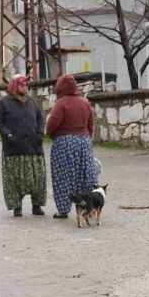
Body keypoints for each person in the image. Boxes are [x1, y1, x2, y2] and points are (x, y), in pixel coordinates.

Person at [0, 75, 46, 217]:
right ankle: (17, 207)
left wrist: (40, 133)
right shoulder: (5, 103)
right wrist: (8, 135)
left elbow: (40, 118)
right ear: (15, 86)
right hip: (14, 148)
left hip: (33, 147)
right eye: (22, 85)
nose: (25, 88)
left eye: (26, 85)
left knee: (37, 179)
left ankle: (36, 206)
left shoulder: (32, 102)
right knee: (15, 180)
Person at [46, 74, 96, 219]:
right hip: (84, 142)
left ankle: (63, 209)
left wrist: (52, 135)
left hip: (64, 144)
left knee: (63, 176)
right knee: (85, 175)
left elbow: (51, 125)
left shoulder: (61, 104)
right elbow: (91, 124)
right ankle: (89, 207)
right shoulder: (85, 102)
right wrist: (86, 137)